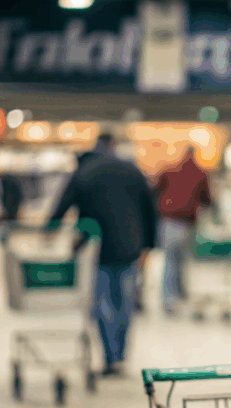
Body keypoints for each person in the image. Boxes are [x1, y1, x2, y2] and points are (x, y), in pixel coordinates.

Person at [47, 133, 157, 375]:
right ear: (113, 145)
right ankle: (120, 355)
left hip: (97, 248)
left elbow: (62, 203)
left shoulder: (85, 171)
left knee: (102, 303)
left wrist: (49, 228)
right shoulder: (131, 169)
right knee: (125, 303)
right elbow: (149, 208)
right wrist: (149, 244)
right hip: (130, 246)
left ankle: (110, 356)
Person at [154, 146, 212, 315]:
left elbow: (155, 191)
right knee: (181, 262)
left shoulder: (169, 170)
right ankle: (178, 295)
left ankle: (169, 300)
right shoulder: (200, 174)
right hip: (187, 224)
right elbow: (206, 200)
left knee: (169, 262)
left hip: (168, 221)